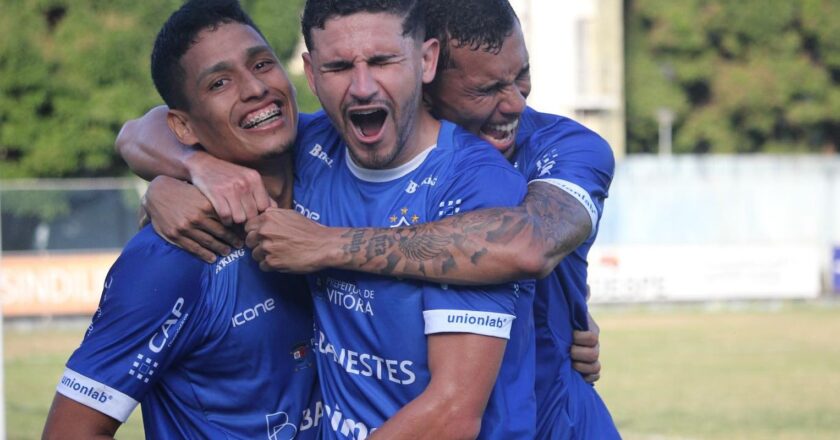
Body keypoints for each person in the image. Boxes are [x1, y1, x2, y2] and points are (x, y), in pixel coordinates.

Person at [117, 0, 614, 437]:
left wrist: (328, 245)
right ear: (431, 76)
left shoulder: (563, 147)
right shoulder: (329, 142)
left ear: (422, 60)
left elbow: (529, 244)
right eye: (485, 89)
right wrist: (189, 170)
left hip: (558, 421)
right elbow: (147, 128)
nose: (516, 102)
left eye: (521, 76)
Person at [41, 1, 320, 438]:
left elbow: (136, 134)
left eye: (262, 64)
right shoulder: (169, 259)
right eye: (219, 82)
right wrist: (190, 168)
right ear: (184, 128)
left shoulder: (336, 158)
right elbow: (69, 432)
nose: (254, 88)